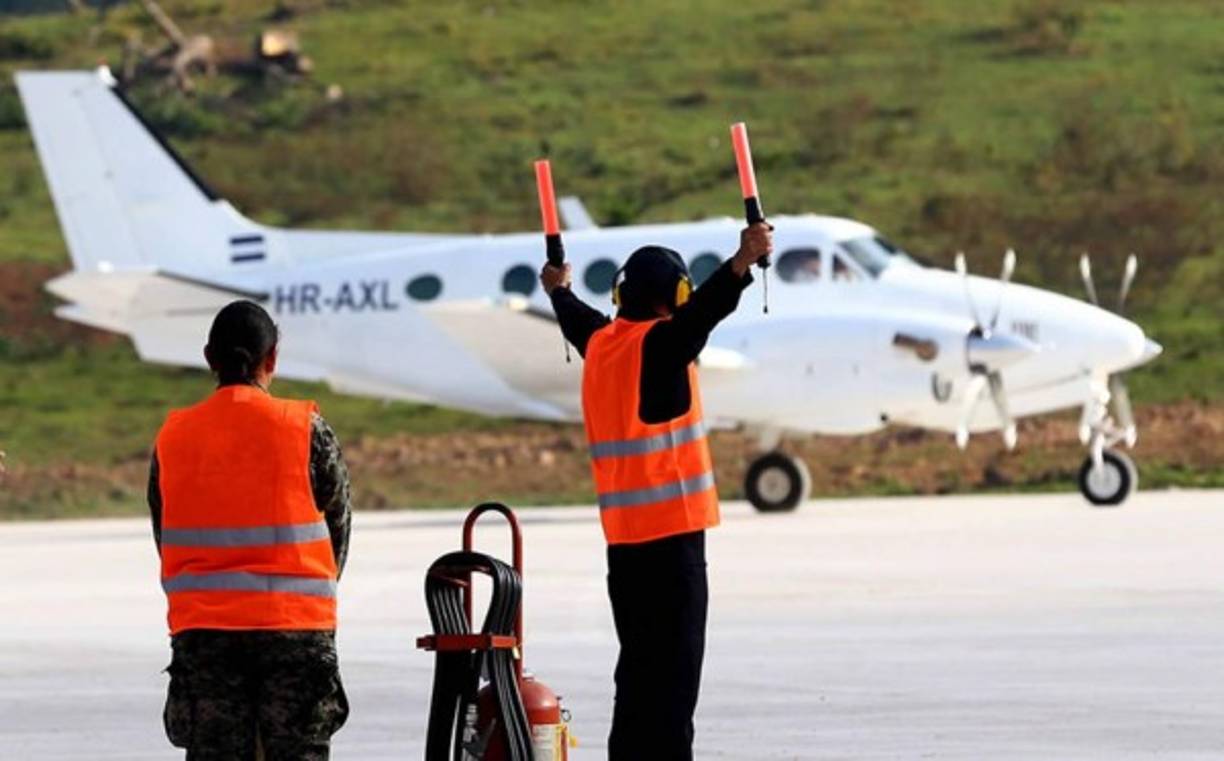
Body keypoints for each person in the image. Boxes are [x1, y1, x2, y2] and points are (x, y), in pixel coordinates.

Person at [541, 222, 773, 760]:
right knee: (672, 691)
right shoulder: (661, 345)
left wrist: (557, 288)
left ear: (621, 295)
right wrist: (741, 261)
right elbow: (704, 313)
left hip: (625, 550)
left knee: (639, 680)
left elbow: (574, 316)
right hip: (673, 547)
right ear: (676, 295)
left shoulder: (601, 344)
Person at [147, 300, 352, 760]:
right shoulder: (304, 429)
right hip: (295, 634)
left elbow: (165, 532)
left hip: (206, 636)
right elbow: (338, 525)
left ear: (208, 358)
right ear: (272, 359)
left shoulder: (174, 437)